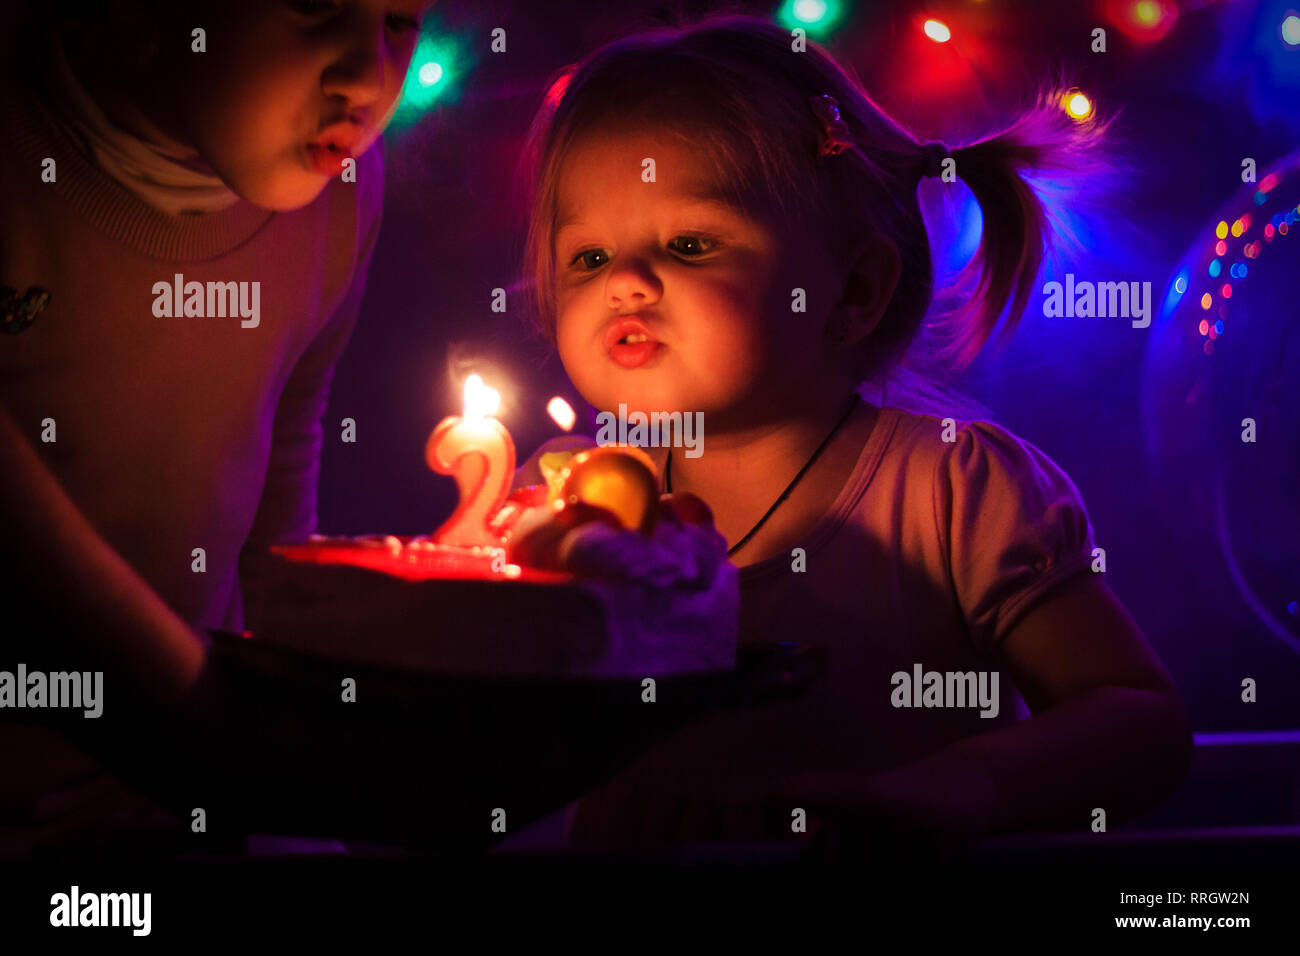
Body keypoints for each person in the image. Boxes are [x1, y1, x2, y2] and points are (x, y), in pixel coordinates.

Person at [517, 14, 1193, 855]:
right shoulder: (563, 499)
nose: (622, 282)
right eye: (585, 257)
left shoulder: (953, 493)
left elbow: (1140, 720)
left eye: (690, 243)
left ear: (852, 292)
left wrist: (957, 787)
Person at [0, 0, 429, 855]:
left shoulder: (345, 193)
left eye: (400, 21)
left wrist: (276, 701)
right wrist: (196, 735)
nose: (370, 78)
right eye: (318, 8)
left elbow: (287, 434)